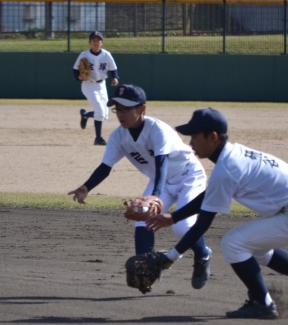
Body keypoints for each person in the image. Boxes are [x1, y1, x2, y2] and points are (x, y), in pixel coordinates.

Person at [146, 108, 288, 319]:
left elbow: (203, 223)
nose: (191, 143)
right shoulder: (233, 155)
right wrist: (174, 217)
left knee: (233, 243)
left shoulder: (227, 168)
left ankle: (263, 303)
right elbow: (211, 194)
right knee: (254, 248)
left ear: (213, 137)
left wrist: (171, 256)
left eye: (195, 137)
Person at [68, 85, 212, 289]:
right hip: (159, 181)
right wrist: (86, 187)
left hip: (188, 176)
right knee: (143, 217)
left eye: (126, 109)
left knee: (182, 227)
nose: (121, 114)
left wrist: (155, 196)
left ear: (142, 109)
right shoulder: (118, 136)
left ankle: (203, 255)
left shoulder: (157, 129)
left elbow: (162, 163)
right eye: (118, 109)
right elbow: (105, 167)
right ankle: (145, 270)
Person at [73, 31, 119, 146]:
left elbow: (113, 69)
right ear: (90, 42)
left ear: (102, 42)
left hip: (101, 85)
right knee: (100, 112)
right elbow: (75, 69)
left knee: (104, 114)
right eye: (93, 40)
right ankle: (98, 138)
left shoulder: (106, 55)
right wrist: (78, 77)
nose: (96, 42)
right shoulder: (84, 55)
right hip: (88, 85)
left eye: (98, 40)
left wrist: (115, 78)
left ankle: (85, 114)